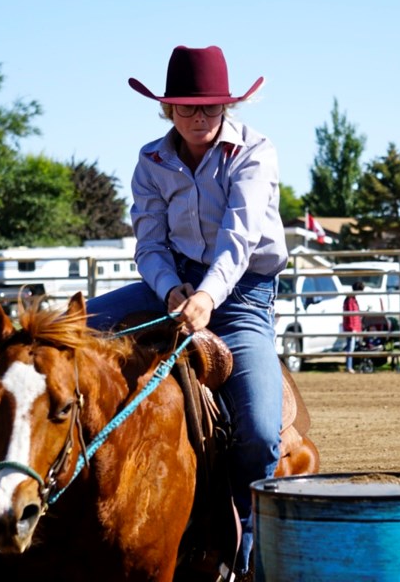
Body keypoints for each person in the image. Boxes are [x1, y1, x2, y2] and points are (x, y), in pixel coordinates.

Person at [85, 45, 284, 577]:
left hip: (241, 297)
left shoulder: (255, 153)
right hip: (171, 287)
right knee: (69, 335)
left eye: (211, 107)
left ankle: (249, 551)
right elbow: (148, 244)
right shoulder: (151, 161)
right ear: (168, 109)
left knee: (262, 432)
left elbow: (238, 241)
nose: (199, 116)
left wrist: (204, 298)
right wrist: (172, 290)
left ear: (227, 108)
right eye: (187, 107)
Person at [342, 282, 364, 373]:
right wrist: (353, 328)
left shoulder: (352, 299)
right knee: (350, 347)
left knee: (350, 346)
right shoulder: (351, 300)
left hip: (352, 327)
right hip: (352, 327)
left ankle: (349, 365)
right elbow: (351, 315)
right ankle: (349, 366)